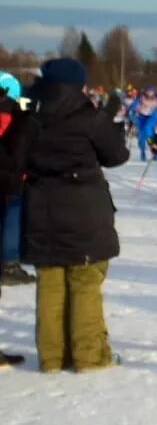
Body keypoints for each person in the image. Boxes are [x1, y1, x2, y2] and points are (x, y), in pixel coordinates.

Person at [20, 57, 129, 372]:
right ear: (77, 85)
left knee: (50, 282)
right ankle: (88, 356)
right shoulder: (89, 118)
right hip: (84, 210)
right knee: (85, 280)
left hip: (41, 206)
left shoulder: (31, 116)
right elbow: (116, 156)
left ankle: (52, 357)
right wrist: (110, 121)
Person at [0, 72, 31, 286]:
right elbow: (20, 149)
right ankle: (10, 263)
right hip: (11, 177)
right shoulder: (13, 117)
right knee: (12, 218)